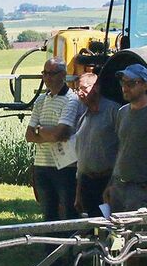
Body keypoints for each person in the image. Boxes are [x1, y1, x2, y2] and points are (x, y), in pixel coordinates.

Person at [107, 63, 147, 213]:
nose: (125, 87)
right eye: (123, 83)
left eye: (131, 83)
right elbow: (121, 149)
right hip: (118, 185)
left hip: (139, 188)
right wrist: (110, 184)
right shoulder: (122, 112)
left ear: (145, 85)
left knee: (135, 227)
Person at [25, 57, 82, 221]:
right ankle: (50, 239)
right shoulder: (41, 100)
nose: (47, 77)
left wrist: (39, 130)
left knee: (68, 212)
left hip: (65, 166)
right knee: (48, 214)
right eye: (45, 73)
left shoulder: (71, 99)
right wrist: (50, 133)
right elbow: (29, 135)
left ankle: (68, 239)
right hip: (41, 165)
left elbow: (60, 133)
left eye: (52, 73)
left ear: (63, 75)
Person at [72, 70, 118, 218]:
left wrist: (113, 184)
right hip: (87, 183)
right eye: (77, 90)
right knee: (92, 226)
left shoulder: (114, 111)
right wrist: (78, 193)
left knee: (110, 225)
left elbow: (125, 148)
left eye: (83, 88)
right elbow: (81, 159)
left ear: (96, 87)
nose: (80, 93)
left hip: (108, 181)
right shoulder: (83, 117)